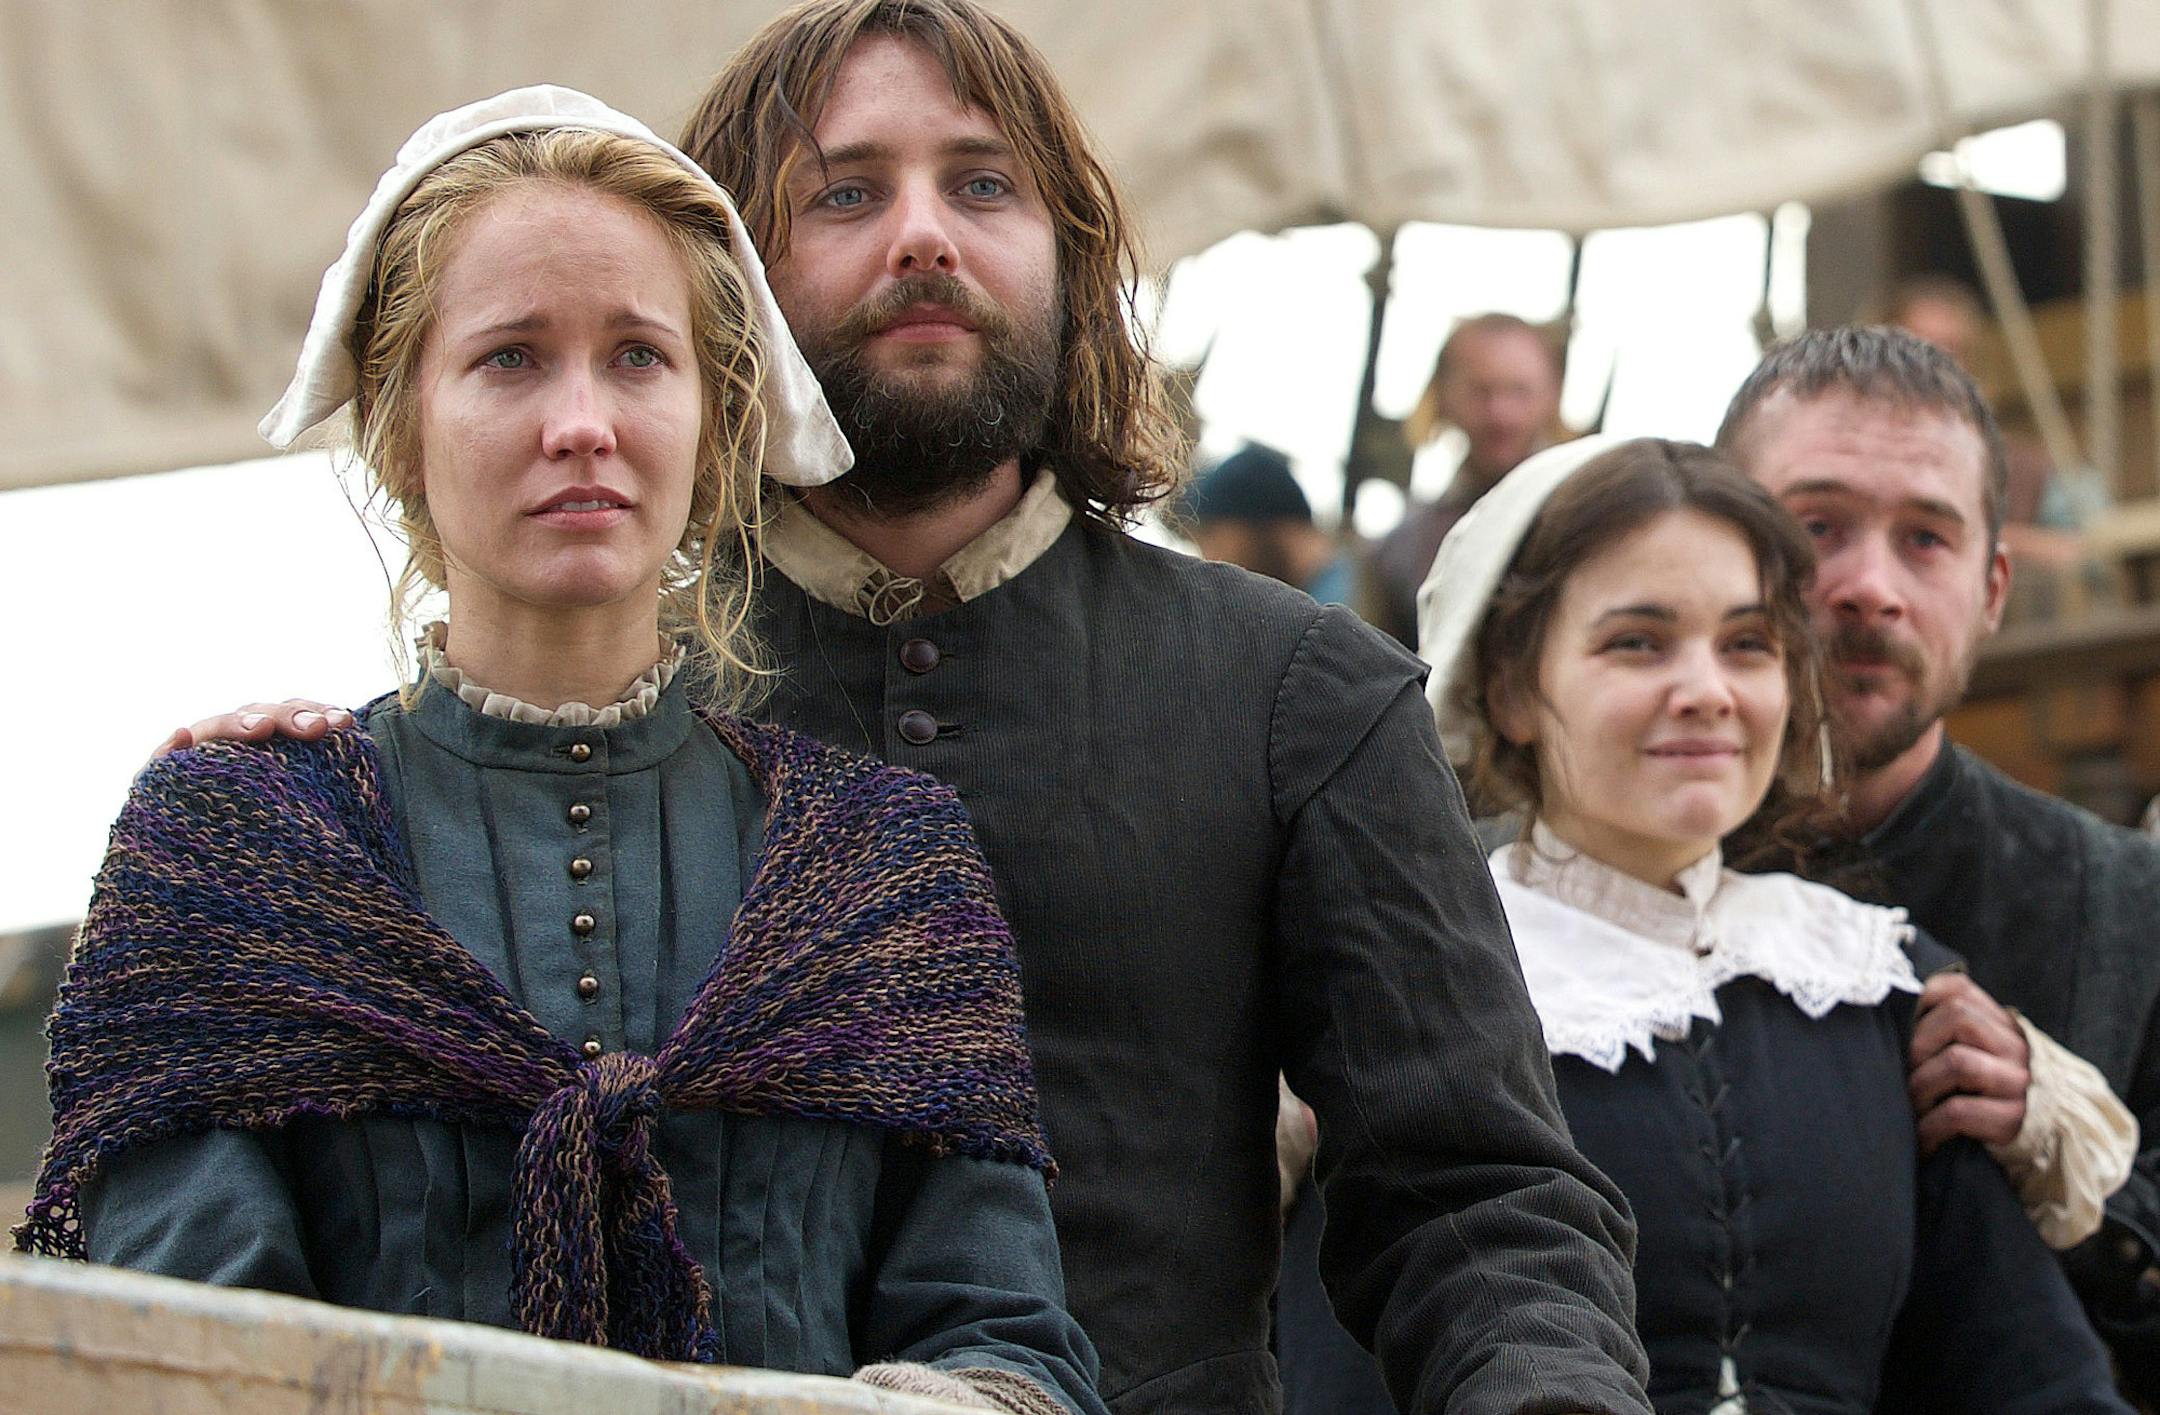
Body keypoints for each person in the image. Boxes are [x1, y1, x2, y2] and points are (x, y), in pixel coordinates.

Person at [156, 5, 1655, 1413]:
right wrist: (260, 837)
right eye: (847, 193)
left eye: (984, 185)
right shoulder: (601, 688)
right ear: (736, 289)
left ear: (1071, 256)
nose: (924, 234)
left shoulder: (1298, 692)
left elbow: (1475, 1194)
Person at [25, 88, 1104, 1415]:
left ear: (714, 419)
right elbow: (181, 1360)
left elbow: (1005, 1340)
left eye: (640, 355)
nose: (582, 420)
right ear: (400, 424)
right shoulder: (239, 848)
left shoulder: (884, 862)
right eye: (511, 358)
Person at [1413, 434, 2131, 1412]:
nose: (1708, 690)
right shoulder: (1430, 997)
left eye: (1747, 643)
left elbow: (2029, 1368)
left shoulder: (1873, 977)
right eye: (1638, 641)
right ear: (1509, 687)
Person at [1716, 325, 2160, 1398]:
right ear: (1716, 549)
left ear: (1993, 587)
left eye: (1926, 538)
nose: (1869, 586)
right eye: (1816, 526)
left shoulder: (2128, 913)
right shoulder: (1525, 900)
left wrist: (2082, 1174)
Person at [1366, 313, 1566, 645]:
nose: (1500, 413)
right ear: (1444, 395)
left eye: (1519, 391)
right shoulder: (1402, 549)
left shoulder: (1589, 522)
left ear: (1551, 394)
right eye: (1480, 391)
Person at [1179, 443, 1357, 604]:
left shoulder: (1348, 606)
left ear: (1261, 526)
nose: (1207, 557)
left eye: (1211, 534)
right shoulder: (1319, 599)